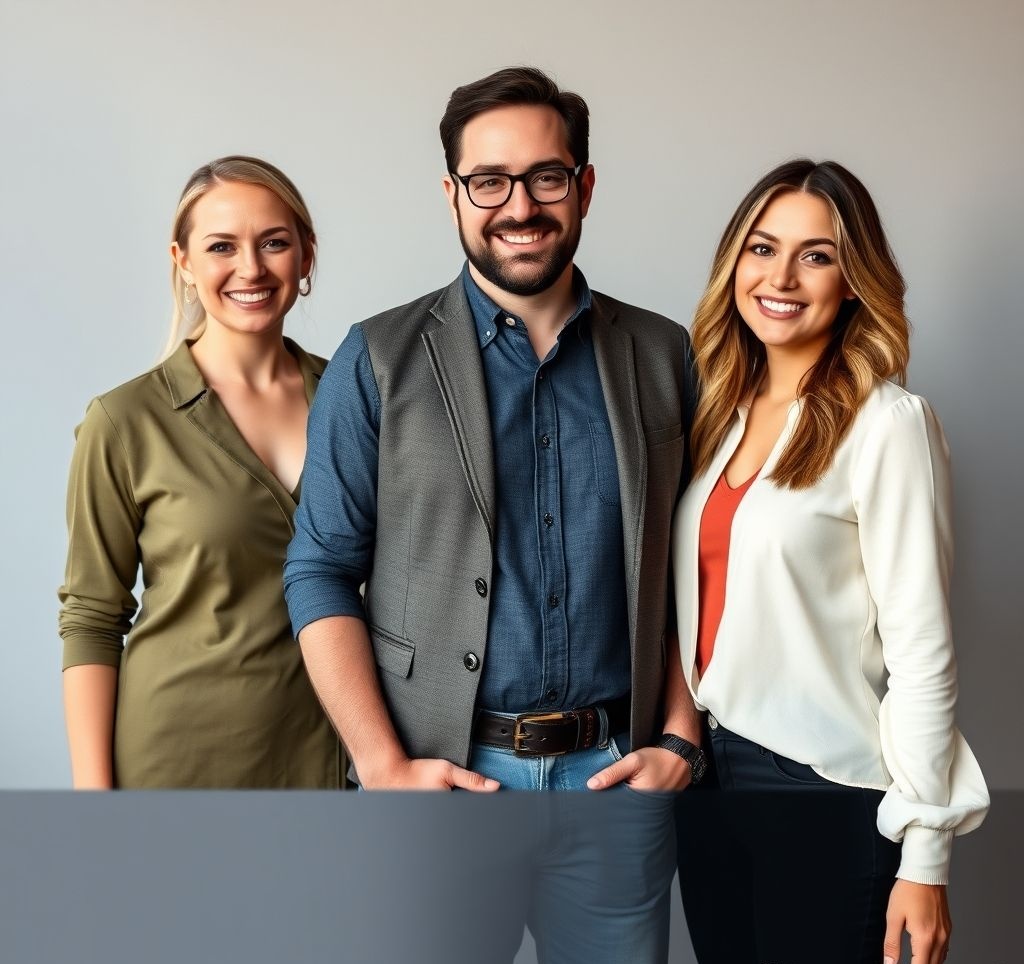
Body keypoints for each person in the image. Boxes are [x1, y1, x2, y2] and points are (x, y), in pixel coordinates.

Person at [284, 67, 701, 963]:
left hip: (613, 783)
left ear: (584, 186)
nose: (520, 205)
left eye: (547, 177)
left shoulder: (664, 355)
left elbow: (696, 567)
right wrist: (383, 768)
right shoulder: (378, 359)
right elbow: (318, 568)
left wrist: (679, 737)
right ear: (453, 195)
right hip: (446, 778)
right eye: (490, 182)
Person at [671, 159, 989, 964]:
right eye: (762, 247)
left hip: (821, 791)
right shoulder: (714, 414)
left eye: (816, 255)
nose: (781, 276)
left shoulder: (889, 426)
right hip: (709, 780)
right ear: (733, 263)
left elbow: (923, 653)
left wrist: (926, 854)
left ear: (854, 280)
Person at [58, 155, 345, 789]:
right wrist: (91, 800)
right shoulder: (125, 420)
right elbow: (91, 617)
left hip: (334, 756)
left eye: (274, 242)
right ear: (183, 262)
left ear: (306, 255)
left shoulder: (358, 397)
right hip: (175, 759)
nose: (251, 268)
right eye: (222, 246)